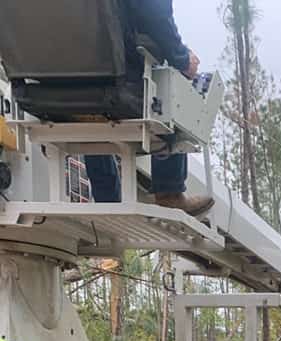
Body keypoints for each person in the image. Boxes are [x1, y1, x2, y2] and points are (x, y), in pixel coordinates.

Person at [84, 0, 213, 217]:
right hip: (119, 87)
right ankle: (169, 191)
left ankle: (107, 200)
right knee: (168, 72)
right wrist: (181, 58)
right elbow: (156, 15)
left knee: (86, 110)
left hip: (43, 90)